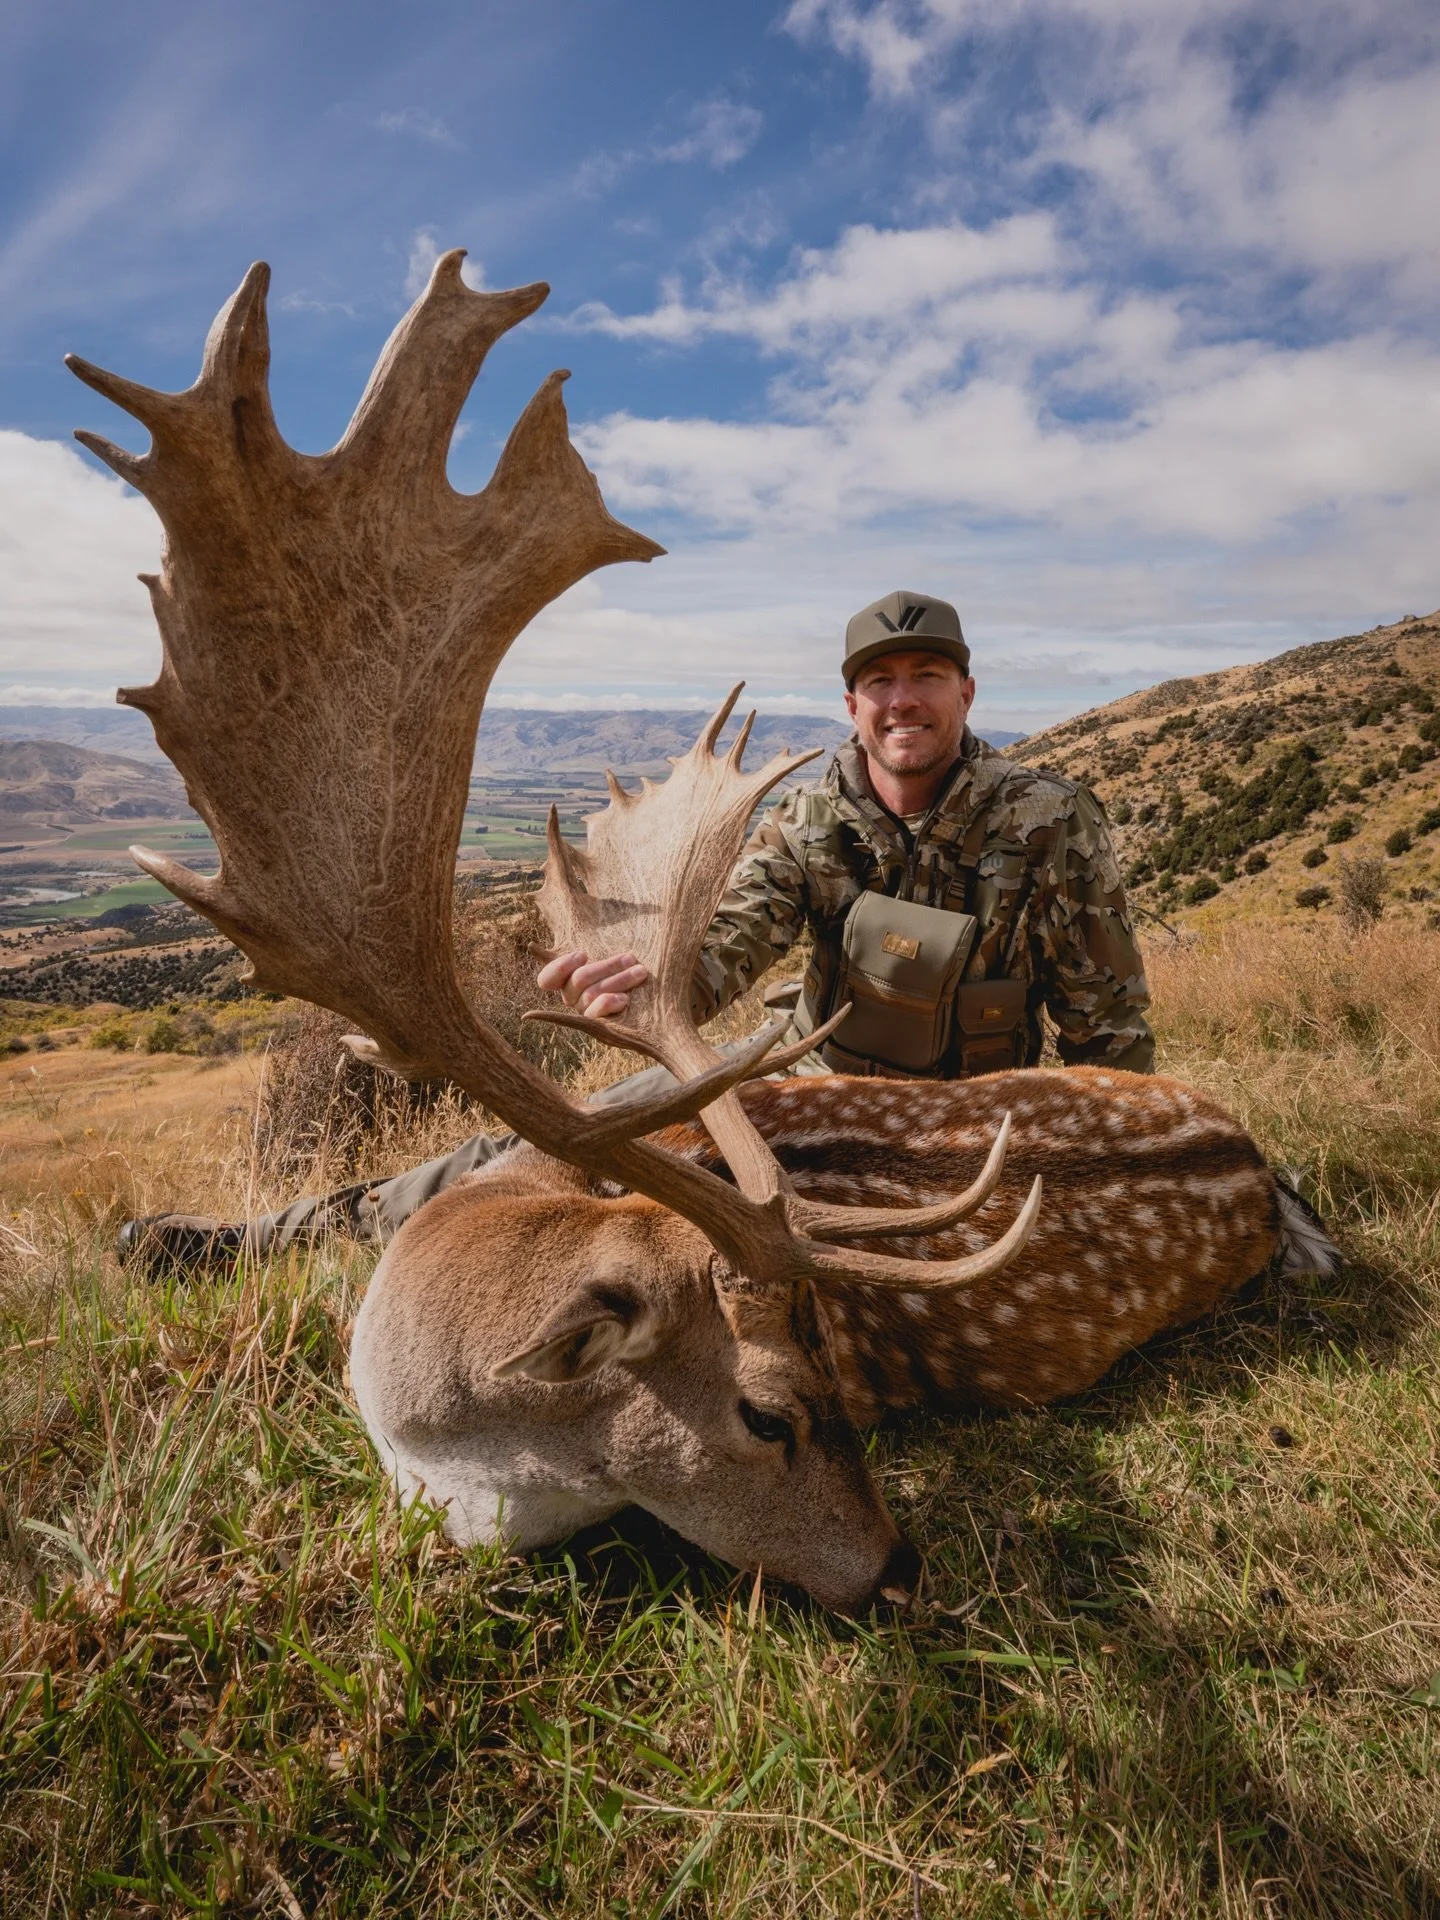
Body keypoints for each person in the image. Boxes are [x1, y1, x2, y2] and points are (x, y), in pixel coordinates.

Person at [119, 591, 1152, 1272]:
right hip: (811, 1096)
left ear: (967, 691)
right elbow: (725, 950)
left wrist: (1120, 1162)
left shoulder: (1050, 819)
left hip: (973, 1124)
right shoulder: (808, 822)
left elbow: (1108, 1026)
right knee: (560, 1134)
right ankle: (281, 1237)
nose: (903, 699)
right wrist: (640, 989)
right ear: (852, 703)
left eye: (926, 675)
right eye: (881, 680)